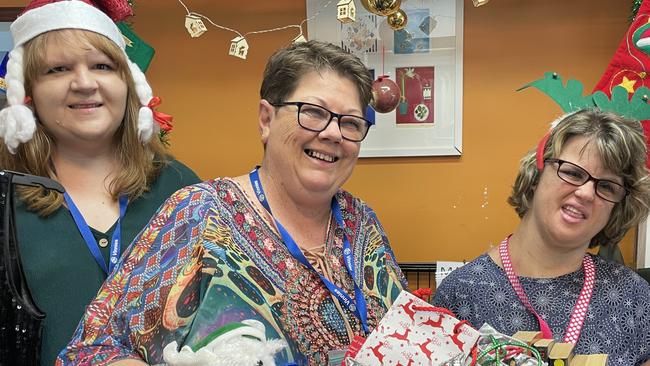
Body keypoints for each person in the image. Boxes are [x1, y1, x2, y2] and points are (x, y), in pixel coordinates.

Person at [57, 40, 407, 365]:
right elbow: (93, 350)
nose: (333, 133)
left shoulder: (361, 221)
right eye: (313, 112)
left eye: (350, 122)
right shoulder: (200, 213)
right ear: (266, 120)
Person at [0, 1, 200, 364]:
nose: (84, 83)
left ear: (127, 82)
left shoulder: (181, 188)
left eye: (101, 66)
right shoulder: (5, 197)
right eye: (57, 69)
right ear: (28, 91)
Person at [432, 109, 650, 365]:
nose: (586, 193)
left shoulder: (633, 297)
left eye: (606, 186)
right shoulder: (461, 294)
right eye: (573, 173)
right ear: (537, 174)